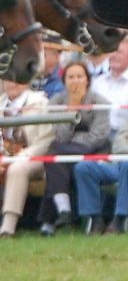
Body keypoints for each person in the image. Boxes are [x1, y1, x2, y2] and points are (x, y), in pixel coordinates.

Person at [74, 81, 128, 235]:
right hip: (121, 164)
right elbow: (118, 144)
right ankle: (95, 219)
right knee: (84, 167)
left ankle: (120, 219)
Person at [39, 61, 109, 236]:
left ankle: (51, 220)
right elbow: (60, 135)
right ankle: (63, 212)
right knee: (58, 160)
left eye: (79, 76)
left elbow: (98, 137)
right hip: (65, 150)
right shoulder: (56, 102)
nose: (75, 81)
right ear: (64, 81)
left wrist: (73, 140)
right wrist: (72, 109)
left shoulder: (99, 102)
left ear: (87, 79)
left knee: (54, 154)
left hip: (93, 150)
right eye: (70, 77)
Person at [1, 76, 52, 238]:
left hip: (34, 158)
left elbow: (46, 140)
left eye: (16, 79)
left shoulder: (40, 103)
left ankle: (8, 228)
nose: (11, 83)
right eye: (7, 79)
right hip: (4, 155)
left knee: (18, 168)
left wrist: (19, 157)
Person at [89, 36, 128, 135]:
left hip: (125, 135)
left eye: (119, 52)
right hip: (97, 134)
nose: (114, 55)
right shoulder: (99, 81)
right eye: (112, 51)